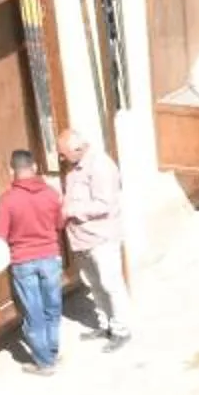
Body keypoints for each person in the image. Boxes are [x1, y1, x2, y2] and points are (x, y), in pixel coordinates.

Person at [56, 127, 132, 349]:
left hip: (101, 237)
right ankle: (107, 324)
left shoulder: (100, 166)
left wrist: (72, 210)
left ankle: (121, 329)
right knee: (94, 284)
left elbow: (104, 204)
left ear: (77, 148)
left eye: (63, 153)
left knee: (111, 283)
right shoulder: (74, 167)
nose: (61, 158)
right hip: (82, 238)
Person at [0, 150, 68, 373]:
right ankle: (52, 352)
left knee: (33, 311)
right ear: (34, 167)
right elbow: (60, 224)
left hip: (23, 261)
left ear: (11, 171)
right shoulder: (51, 194)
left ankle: (45, 362)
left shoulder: (7, 200)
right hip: (49, 257)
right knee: (52, 307)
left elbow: (0, 235)